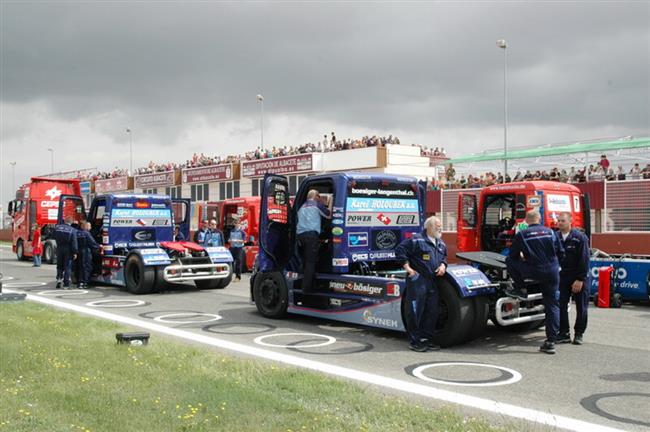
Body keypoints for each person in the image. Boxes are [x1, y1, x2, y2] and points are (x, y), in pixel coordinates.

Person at [506, 210, 564, 354]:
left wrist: (525, 257)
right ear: (540, 219)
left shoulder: (522, 234)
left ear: (526, 220)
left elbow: (512, 256)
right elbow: (560, 252)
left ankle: (521, 289)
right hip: (552, 271)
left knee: (509, 261)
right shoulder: (551, 232)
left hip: (534, 271)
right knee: (552, 306)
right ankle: (551, 342)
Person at [396, 216, 447, 352]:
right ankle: (415, 341)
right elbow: (400, 250)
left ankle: (427, 339)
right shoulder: (416, 240)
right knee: (415, 311)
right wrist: (408, 269)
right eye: (437, 225)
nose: (440, 228)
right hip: (418, 280)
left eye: (440, 226)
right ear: (428, 227)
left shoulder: (441, 243)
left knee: (432, 311)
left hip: (433, 281)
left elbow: (444, 258)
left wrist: (443, 266)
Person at [556, 212, 590, 345]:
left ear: (570, 222)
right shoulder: (555, 237)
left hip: (578, 277)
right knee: (560, 306)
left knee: (581, 307)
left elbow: (584, 259)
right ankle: (564, 333)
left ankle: (579, 334)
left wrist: (580, 279)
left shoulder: (580, 237)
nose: (560, 223)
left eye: (563, 221)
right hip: (562, 277)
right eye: (558, 221)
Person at [296, 189, 331, 294]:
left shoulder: (302, 206)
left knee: (305, 262)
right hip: (311, 236)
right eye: (319, 196)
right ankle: (307, 290)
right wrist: (330, 201)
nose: (319, 199)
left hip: (301, 236)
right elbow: (329, 214)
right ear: (315, 196)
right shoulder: (316, 204)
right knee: (311, 262)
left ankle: (301, 283)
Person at [53, 215, 79, 289]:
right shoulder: (72, 230)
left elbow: (53, 236)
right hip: (68, 249)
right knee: (67, 266)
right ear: (71, 222)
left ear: (65, 221)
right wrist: (75, 252)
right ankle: (66, 284)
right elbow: (74, 242)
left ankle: (59, 279)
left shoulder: (57, 227)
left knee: (59, 265)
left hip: (59, 248)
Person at [76, 221, 100, 288]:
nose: (91, 227)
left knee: (80, 267)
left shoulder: (77, 233)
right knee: (87, 267)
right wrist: (99, 246)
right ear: (86, 226)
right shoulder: (87, 234)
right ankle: (85, 283)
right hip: (86, 251)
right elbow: (93, 243)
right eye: (89, 226)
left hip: (79, 251)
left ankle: (80, 282)